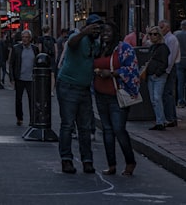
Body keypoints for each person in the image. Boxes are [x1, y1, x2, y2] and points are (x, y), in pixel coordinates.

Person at [56, 15, 102, 174]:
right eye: (94, 27)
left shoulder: (95, 43)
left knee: (85, 127)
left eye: (98, 28)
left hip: (84, 88)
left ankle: (87, 160)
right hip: (68, 85)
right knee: (68, 125)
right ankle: (66, 159)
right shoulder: (78, 38)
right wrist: (83, 32)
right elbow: (71, 43)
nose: (96, 31)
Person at [91, 22, 137, 176]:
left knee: (118, 129)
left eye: (108, 31)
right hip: (100, 94)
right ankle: (111, 165)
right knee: (107, 130)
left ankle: (130, 162)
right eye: (103, 31)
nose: (105, 34)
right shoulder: (98, 48)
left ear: (115, 32)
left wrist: (111, 73)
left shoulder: (124, 48)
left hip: (117, 95)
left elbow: (132, 68)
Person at [139, 26, 170, 131]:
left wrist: (157, 73)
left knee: (157, 98)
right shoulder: (152, 47)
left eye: (155, 34)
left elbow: (165, 63)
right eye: (150, 34)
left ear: (159, 35)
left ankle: (161, 122)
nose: (152, 36)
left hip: (158, 76)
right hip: (150, 75)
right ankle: (160, 120)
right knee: (153, 100)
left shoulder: (163, 47)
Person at [7, 29, 39, 126]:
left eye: (26, 37)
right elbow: (11, 64)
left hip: (31, 78)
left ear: (30, 38)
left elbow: (37, 62)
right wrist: (11, 78)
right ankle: (19, 117)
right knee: (18, 99)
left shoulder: (34, 49)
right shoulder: (16, 48)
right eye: (23, 37)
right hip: (19, 78)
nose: (24, 39)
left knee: (32, 99)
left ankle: (32, 118)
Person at [158, 20, 180, 126]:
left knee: (168, 93)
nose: (160, 29)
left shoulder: (171, 39)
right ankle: (169, 117)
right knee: (166, 93)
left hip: (169, 69)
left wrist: (166, 70)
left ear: (167, 28)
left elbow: (171, 57)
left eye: (161, 27)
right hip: (166, 68)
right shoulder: (164, 39)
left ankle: (170, 118)